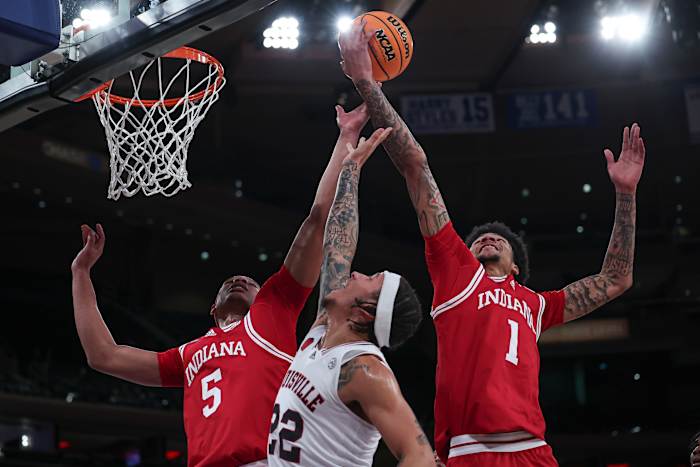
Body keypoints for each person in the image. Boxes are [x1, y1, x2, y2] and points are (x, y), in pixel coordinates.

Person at [339, 21, 645, 466]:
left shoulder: (537, 305)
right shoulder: (457, 273)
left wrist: (626, 194)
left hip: (534, 452)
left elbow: (616, 279)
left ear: (516, 266)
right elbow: (416, 166)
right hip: (469, 450)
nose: (486, 237)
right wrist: (367, 84)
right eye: (480, 237)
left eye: (498, 240)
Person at [71, 104, 373, 467]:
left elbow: (317, 221)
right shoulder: (186, 354)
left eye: (250, 282)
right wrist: (81, 274)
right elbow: (103, 355)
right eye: (230, 282)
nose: (239, 279)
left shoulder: (273, 312)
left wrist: (346, 137)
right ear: (212, 309)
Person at [267, 127, 435, 466]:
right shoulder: (321, 332)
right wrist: (351, 170)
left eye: (369, 278)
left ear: (365, 313)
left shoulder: (364, 369)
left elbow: (418, 455)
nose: (355, 273)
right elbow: (337, 245)